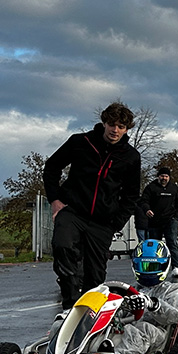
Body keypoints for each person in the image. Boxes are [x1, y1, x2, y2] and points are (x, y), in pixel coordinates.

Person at [44, 103, 142, 304]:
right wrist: (55, 200)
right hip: (73, 211)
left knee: (95, 275)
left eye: (121, 127)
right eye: (112, 124)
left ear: (126, 129)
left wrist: (115, 223)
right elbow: (52, 167)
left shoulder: (131, 157)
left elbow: (131, 195)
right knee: (62, 246)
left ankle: (88, 312)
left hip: (103, 221)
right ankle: (69, 301)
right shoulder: (81, 142)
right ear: (104, 122)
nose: (115, 130)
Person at [110, 239, 178, 354]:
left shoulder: (173, 289)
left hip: (157, 335)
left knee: (144, 327)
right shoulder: (131, 288)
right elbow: (120, 313)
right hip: (126, 330)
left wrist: (153, 304)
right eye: (143, 266)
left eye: (153, 267)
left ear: (164, 265)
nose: (148, 272)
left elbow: (175, 315)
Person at [136, 164, 178, 277]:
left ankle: (176, 267)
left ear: (169, 177)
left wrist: (176, 217)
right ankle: (153, 268)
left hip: (170, 220)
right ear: (158, 177)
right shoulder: (151, 187)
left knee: (172, 243)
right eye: (162, 176)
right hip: (154, 221)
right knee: (153, 245)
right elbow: (143, 201)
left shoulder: (174, 188)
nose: (164, 178)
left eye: (166, 176)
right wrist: (147, 210)